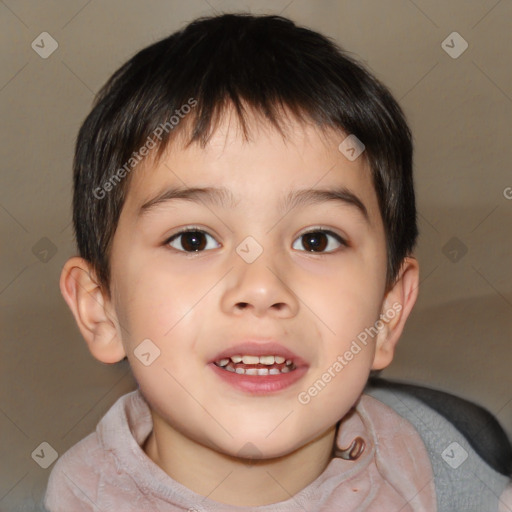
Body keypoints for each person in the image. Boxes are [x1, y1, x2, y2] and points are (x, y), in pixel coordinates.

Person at [43, 13, 512, 511]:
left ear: (387, 312)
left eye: (316, 241)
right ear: (101, 309)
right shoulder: (86, 499)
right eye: (194, 240)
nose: (262, 287)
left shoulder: (450, 475)